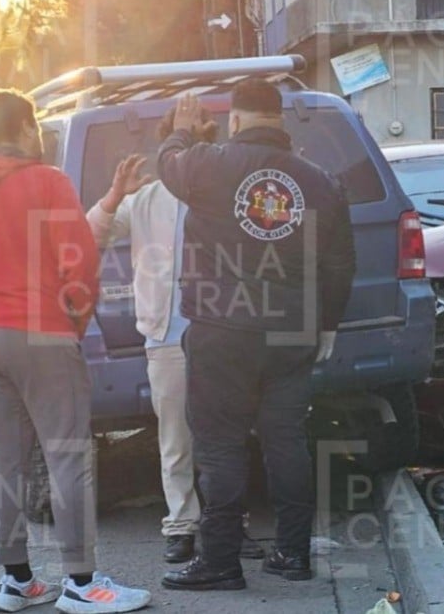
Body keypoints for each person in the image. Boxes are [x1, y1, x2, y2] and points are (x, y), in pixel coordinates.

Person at [0, 89, 151, 614]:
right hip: (42, 335)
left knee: (7, 459)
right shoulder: (48, 183)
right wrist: (69, 322)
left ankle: (17, 581)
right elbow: (79, 266)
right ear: (27, 129)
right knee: (68, 456)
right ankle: (81, 582)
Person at [158, 80, 356, 591]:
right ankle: (293, 554)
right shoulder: (322, 181)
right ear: (280, 120)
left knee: (220, 444)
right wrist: (328, 323)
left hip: (223, 328)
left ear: (237, 120)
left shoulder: (210, 163)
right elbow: (339, 265)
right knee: (286, 440)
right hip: (293, 330)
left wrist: (180, 132)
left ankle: (221, 562)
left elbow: (169, 167)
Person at [85, 110, 265, 565]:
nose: (196, 155)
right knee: (176, 436)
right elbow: (91, 237)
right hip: (168, 335)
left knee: (227, 435)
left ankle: (227, 522)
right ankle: (182, 524)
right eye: (187, 145)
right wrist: (112, 197)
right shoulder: (146, 198)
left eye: (204, 143)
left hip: (225, 333)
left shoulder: (228, 194)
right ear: (170, 152)